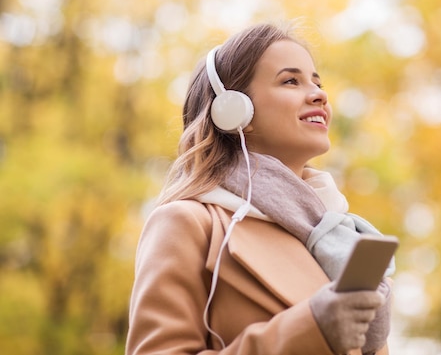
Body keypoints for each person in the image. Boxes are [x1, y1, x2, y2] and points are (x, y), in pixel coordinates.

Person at [125, 22, 395, 355]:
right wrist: (310, 329)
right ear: (236, 112)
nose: (319, 94)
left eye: (317, 81)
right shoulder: (189, 223)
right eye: (290, 81)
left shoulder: (337, 237)